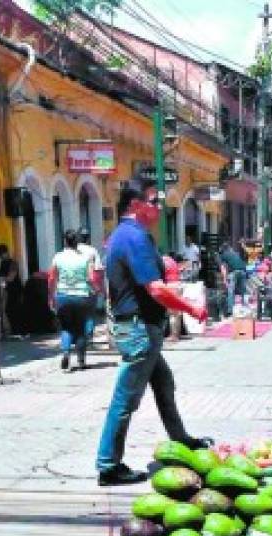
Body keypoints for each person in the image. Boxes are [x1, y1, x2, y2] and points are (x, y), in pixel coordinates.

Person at [96, 180, 210, 487]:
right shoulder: (134, 237)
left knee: (163, 383)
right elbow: (156, 288)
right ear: (135, 205)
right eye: (152, 201)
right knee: (125, 399)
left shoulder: (123, 235)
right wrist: (192, 309)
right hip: (139, 330)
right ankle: (108, 465)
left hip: (139, 328)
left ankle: (181, 440)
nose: (158, 207)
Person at [48, 229, 95, 370]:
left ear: (65, 241)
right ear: (77, 242)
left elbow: (52, 278)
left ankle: (66, 353)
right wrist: (94, 290)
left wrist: (51, 295)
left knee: (66, 327)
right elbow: (91, 278)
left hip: (63, 296)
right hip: (81, 296)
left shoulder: (58, 257)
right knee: (80, 329)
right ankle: (81, 361)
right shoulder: (85, 258)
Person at [77, 227, 103, 345]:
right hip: (90, 285)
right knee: (89, 313)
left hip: (75, 286)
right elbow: (98, 269)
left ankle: (78, 335)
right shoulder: (93, 251)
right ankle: (88, 337)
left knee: (78, 312)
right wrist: (100, 286)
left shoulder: (73, 250)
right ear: (88, 238)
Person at [0, 244, 25, 337]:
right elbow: (2, 275)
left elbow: (11, 278)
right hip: (9, 290)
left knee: (15, 310)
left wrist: (0, 279)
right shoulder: (3, 264)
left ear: (5, 253)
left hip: (17, 290)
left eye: (1, 255)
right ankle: (15, 331)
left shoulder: (13, 263)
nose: (0, 258)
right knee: (9, 310)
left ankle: (19, 331)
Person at [218, 242, 247, 316]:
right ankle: (244, 309)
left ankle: (230, 311)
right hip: (243, 271)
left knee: (231, 291)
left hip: (234, 272)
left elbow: (223, 268)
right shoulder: (235, 253)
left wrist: (224, 279)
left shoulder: (223, 255)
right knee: (243, 292)